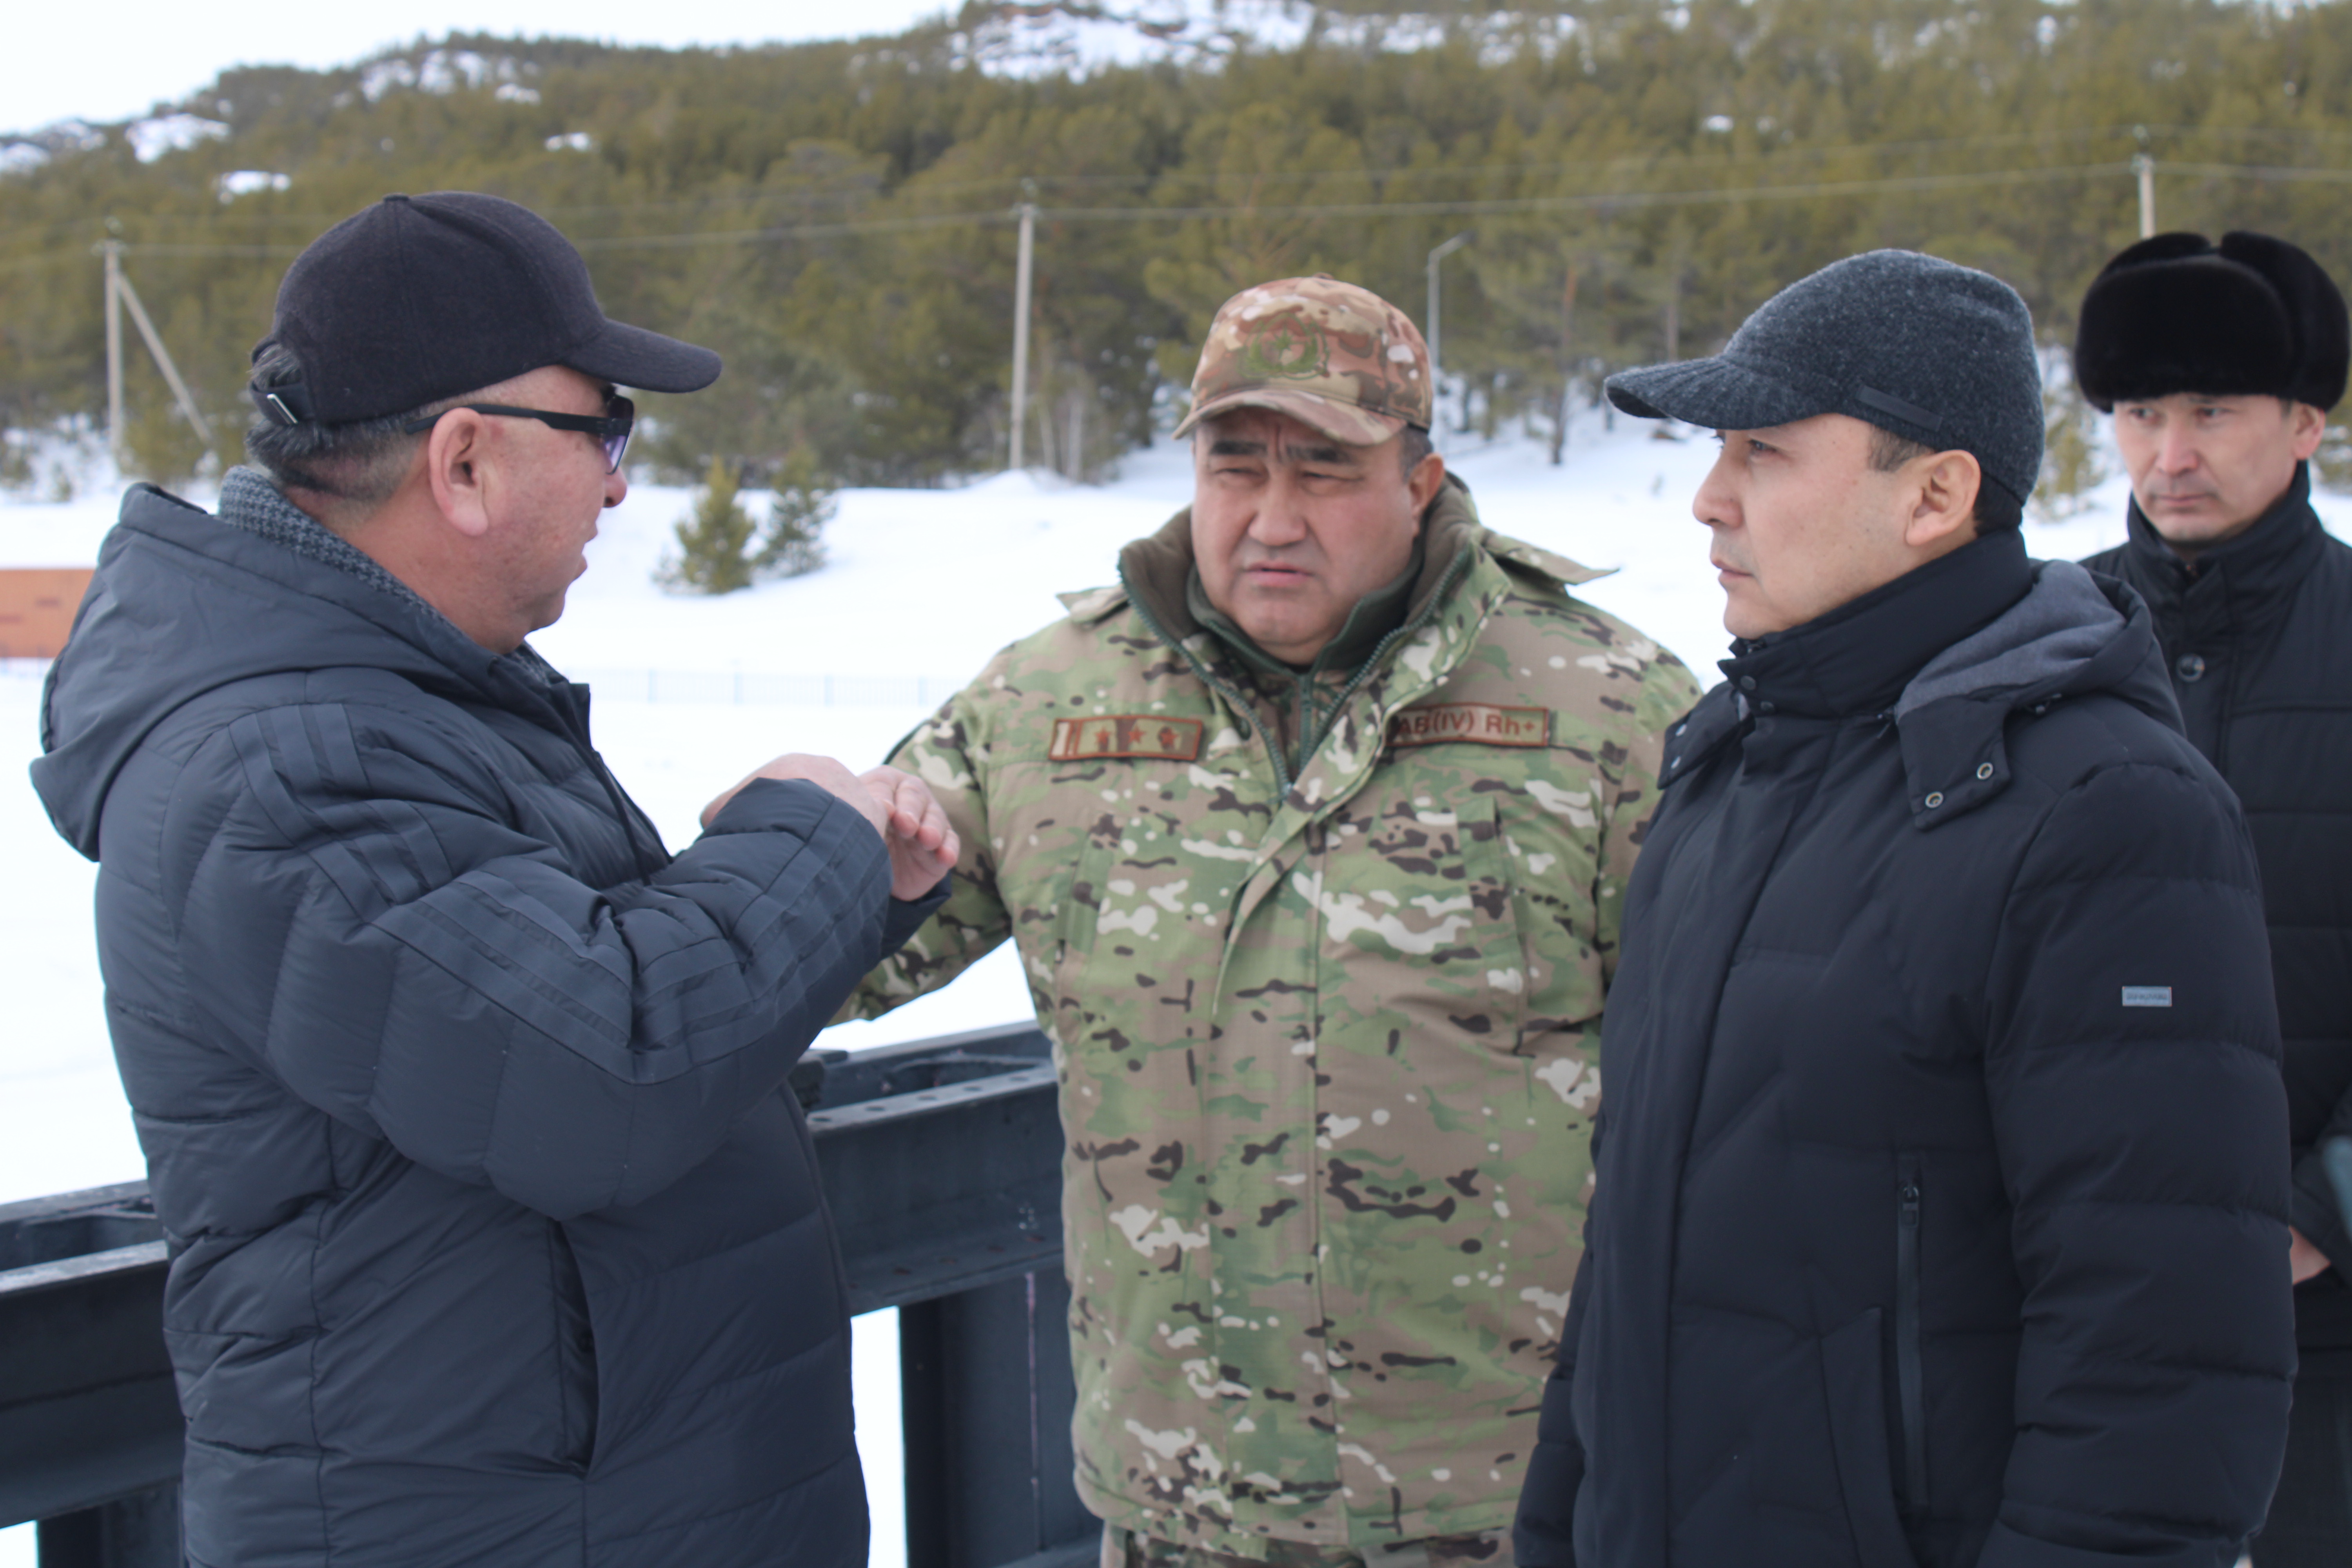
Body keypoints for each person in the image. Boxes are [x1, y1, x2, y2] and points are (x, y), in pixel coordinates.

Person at [29, 192, 956, 1568]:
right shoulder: (284, 764)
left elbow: (550, 999)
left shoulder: (409, 705)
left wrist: (836, 882)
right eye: (606, 430)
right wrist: (803, 836)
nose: (623, 482)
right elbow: (599, 1073)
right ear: (463, 461)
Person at [844, 275, 1699, 1566]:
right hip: (1183, 1505)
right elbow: (832, 952)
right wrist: (788, 839)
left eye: (1329, 470)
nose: (1272, 519)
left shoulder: (1603, 709)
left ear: (1421, 480)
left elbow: (1737, 1086)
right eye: (1235, 466)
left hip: (1508, 1502)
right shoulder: (1044, 709)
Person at [1512, 250, 2296, 1568]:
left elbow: (2157, 1367)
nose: (1709, 501)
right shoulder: (1721, 775)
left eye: (1762, 451)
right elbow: (1628, 1256)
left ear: (1936, 493)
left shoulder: (2104, 811)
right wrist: (1558, 1528)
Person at [2073, 230, 2352, 1566]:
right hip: (2075, 1302)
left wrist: (2322, 1209)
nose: (2170, 455)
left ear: (2307, 423)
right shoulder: (2037, 645)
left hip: (2330, 1313)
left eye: (2214, 414)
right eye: (2140, 413)